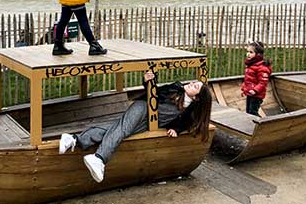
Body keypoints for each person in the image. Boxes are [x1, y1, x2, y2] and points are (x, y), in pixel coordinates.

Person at [58, 71, 213, 183]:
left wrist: (176, 130)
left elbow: (185, 123)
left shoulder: (189, 110)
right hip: (142, 107)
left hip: (148, 123)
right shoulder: (176, 88)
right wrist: (148, 80)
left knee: (115, 129)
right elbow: (155, 91)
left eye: (195, 86)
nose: (191, 83)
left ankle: (74, 139)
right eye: (193, 82)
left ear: (197, 97)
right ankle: (99, 158)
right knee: (123, 129)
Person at [241, 41, 272, 116]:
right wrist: (244, 88)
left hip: (257, 95)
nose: (248, 54)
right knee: (248, 111)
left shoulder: (262, 68)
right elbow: (248, 80)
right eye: (247, 52)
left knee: (253, 112)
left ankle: (260, 124)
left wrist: (255, 90)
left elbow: (263, 83)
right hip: (250, 93)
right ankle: (250, 125)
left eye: (251, 52)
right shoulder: (251, 65)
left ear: (258, 54)